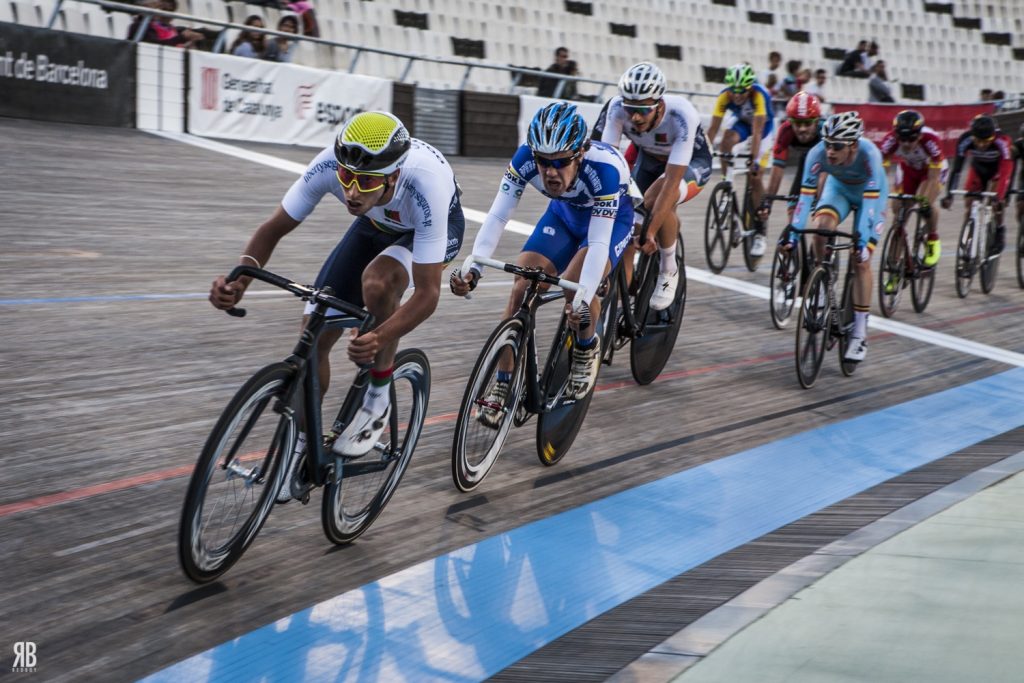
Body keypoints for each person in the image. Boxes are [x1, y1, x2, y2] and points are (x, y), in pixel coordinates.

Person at [209, 112, 464, 494]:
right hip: (375, 225)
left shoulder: (425, 185)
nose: (351, 191)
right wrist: (239, 279)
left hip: (428, 230)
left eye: (365, 181)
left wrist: (378, 336)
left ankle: (378, 397)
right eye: (346, 178)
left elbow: (428, 295)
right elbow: (273, 228)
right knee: (314, 335)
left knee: (379, 283)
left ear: (392, 176)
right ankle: (301, 447)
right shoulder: (332, 164)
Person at [450, 102, 634, 415]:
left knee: (576, 288)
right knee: (522, 286)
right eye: (543, 161)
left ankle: (586, 348)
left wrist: (583, 297)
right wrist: (476, 268)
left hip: (609, 222)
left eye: (560, 161)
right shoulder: (523, 159)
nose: (549, 171)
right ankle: (504, 381)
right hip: (564, 215)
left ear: (579, 154)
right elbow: (497, 216)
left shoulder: (603, 169)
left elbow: (600, 241)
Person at [596, 61, 712, 309]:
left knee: (657, 200)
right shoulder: (616, 108)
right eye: (630, 109)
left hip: (691, 163)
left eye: (643, 110)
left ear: (659, 104)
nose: (635, 117)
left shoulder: (682, 115)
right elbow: (605, 163)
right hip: (648, 160)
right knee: (627, 222)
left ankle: (669, 269)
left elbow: (671, 183)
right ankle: (622, 294)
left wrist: (650, 231)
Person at [786, 111, 888, 363]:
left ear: (853, 144)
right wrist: (792, 236)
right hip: (839, 189)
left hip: (870, 197)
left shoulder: (870, 155)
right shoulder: (817, 153)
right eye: (827, 144)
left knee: (861, 262)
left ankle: (860, 332)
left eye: (837, 146)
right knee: (820, 229)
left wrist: (862, 242)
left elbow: (871, 207)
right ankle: (822, 280)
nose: (830, 151)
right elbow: (805, 199)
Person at [704, 63, 776, 257]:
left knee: (755, 176)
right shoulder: (724, 96)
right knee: (726, 140)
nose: (737, 95)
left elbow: (758, 131)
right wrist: (704, 152)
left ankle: (760, 232)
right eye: (734, 91)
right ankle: (726, 182)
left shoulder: (760, 95)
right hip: (743, 124)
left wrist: (754, 160)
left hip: (764, 129)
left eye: (742, 91)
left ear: (750, 87)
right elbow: (713, 129)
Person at [878, 110, 946, 273]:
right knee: (898, 217)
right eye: (902, 139)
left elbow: (933, 177)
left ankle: (932, 238)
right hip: (908, 170)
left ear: (920, 135)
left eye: (911, 139)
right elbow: (881, 172)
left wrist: (924, 200)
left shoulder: (931, 140)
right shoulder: (890, 140)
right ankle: (895, 265)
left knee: (925, 203)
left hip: (931, 171)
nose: (906, 143)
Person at [941, 114, 1014, 254]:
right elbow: (957, 169)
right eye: (978, 141)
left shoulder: (1003, 141)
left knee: (996, 203)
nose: (981, 145)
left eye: (986, 141)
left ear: (994, 136)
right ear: (972, 135)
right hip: (978, 170)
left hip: (997, 172)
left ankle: (999, 228)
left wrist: (1000, 197)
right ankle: (969, 239)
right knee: (969, 203)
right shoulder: (965, 140)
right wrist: (949, 195)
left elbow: (1006, 172)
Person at [760, 92, 823, 227]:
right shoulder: (785, 131)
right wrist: (768, 202)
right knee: (793, 219)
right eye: (798, 123)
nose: (802, 129)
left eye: (807, 123)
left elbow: (829, 172)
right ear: (790, 122)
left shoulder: (825, 131)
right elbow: (777, 170)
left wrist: (820, 198)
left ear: (817, 121)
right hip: (805, 163)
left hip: (827, 169)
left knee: (822, 221)